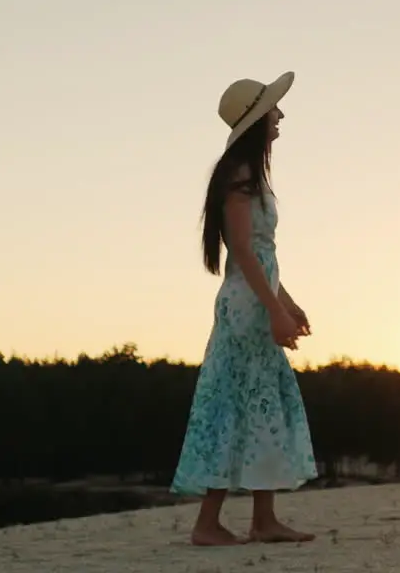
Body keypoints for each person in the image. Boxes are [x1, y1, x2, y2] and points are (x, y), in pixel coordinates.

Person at [170, 71, 319, 546]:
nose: (280, 116)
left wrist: (286, 303)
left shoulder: (250, 175)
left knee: (258, 404)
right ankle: (209, 524)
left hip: (254, 300)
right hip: (246, 308)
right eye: (273, 109)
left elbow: (259, 253)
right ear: (256, 120)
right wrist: (273, 309)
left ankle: (262, 520)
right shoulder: (240, 175)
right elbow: (241, 248)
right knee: (236, 405)